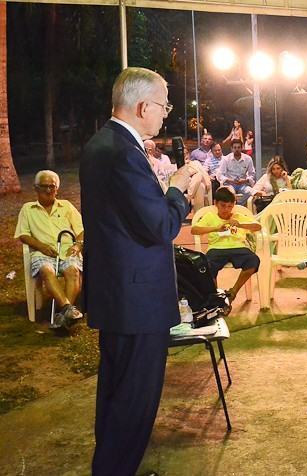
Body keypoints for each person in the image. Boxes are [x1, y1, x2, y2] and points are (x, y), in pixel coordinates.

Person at [79, 67, 198, 475]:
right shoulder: (124, 153)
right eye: (164, 106)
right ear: (144, 106)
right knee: (133, 401)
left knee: (115, 394)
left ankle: (109, 464)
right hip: (137, 299)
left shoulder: (100, 143)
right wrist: (179, 188)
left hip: (117, 293)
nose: (166, 114)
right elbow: (161, 227)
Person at [15, 170, 84, 327]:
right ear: (36, 188)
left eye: (52, 186)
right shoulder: (27, 209)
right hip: (43, 253)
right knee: (46, 270)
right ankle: (67, 310)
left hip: (67, 251)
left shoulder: (66, 206)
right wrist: (42, 246)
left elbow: (81, 230)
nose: (48, 190)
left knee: (73, 271)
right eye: (44, 186)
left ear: (57, 188)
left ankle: (63, 316)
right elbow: (23, 235)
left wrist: (77, 244)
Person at [191, 186, 261, 302]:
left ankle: (234, 291)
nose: (226, 209)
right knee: (207, 266)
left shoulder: (238, 217)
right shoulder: (210, 216)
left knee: (254, 261)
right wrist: (215, 228)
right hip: (216, 248)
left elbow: (258, 226)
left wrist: (240, 225)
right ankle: (216, 296)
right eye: (223, 205)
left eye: (230, 206)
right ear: (216, 203)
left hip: (239, 247)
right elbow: (194, 230)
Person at [217, 139, 256, 206]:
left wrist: (245, 180)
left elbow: (252, 174)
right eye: (235, 147)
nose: (237, 149)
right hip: (230, 184)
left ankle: (238, 205)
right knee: (230, 193)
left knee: (250, 192)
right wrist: (230, 180)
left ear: (242, 148)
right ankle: (235, 205)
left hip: (243, 184)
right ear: (231, 148)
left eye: (238, 147)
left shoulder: (248, 159)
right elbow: (220, 174)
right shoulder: (226, 159)